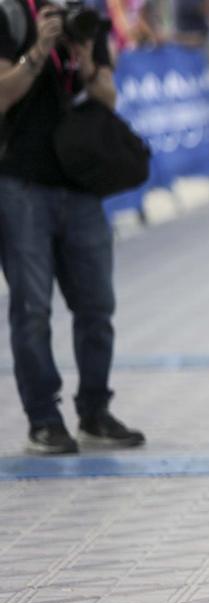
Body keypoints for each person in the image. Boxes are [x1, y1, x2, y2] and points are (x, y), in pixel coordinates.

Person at [0, 0, 146, 455]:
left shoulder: (87, 18)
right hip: (23, 183)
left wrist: (86, 62)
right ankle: (44, 418)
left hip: (82, 183)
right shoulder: (11, 16)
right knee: (32, 308)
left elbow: (108, 96)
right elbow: (2, 93)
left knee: (97, 304)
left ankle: (95, 411)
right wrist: (39, 50)